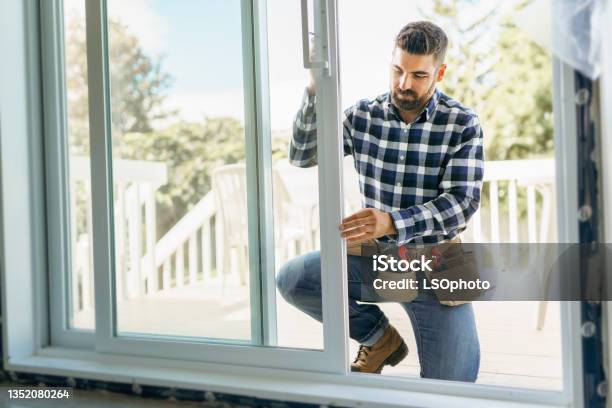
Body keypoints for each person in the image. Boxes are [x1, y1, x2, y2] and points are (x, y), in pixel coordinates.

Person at [276, 21, 483, 381]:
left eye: (419, 75)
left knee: (456, 385)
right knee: (295, 279)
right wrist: (313, 88)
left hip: (438, 266)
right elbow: (302, 154)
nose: (405, 84)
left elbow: (462, 203)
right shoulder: (362, 116)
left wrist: (392, 221)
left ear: (440, 72)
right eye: (398, 70)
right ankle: (379, 338)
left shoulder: (462, 124)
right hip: (379, 262)